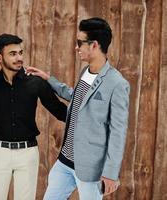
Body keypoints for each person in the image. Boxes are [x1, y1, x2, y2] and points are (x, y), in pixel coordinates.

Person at [26, 17, 130, 200]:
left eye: (80, 43)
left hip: (91, 169)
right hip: (65, 161)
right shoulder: (86, 72)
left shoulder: (117, 84)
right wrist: (48, 78)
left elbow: (118, 131)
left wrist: (111, 173)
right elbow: (76, 96)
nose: (76, 47)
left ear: (94, 45)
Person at [0, 33, 67, 200]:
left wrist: (86, 117)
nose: (19, 57)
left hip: (28, 153)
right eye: (13, 54)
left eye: (20, 52)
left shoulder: (35, 82)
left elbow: (59, 110)